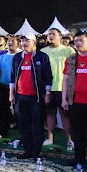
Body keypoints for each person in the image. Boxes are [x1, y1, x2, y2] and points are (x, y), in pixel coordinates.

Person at [9, 33, 53, 161]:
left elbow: (48, 77)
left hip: (36, 97)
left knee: (36, 125)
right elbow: (13, 77)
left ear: (34, 42)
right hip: (20, 97)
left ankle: (36, 152)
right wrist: (11, 94)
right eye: (22, 41)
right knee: (23, 125)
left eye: (27, 40)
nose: (24, 43)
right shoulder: (18, 57)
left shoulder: (42, 57)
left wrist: (48, 93)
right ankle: (27, 150)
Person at [62, 32, 87, 166]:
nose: (78, 43)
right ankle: (79, 159)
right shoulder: (71, 59)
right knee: (78, 133)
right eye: (76, 40)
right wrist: (64, 99)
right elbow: (65, 79)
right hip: (76, 102)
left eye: (81, 40)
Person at [41, 28, 75, 148]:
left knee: (65, 114)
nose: (51, 36)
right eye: (49, 34)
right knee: (50, 113)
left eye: (54, 34)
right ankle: (50, 138)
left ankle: (69, 139)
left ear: (60, 37)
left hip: (63, 88)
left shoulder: (68, 50)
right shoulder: (43, 51)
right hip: (48, 88)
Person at [0, 36, 21, 138]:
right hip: (4, 87)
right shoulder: (2, 57)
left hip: (18, 88)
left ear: (18, 43)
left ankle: (22, 133)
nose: (10, 43)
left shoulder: (21, 56)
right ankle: (3, 131)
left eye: (13, 41)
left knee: (19, 111)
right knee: (3, 110)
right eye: (9, 41)